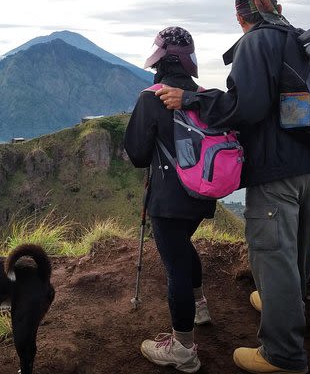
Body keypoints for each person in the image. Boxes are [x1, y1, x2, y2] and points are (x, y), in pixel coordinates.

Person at [155, 0, 310, 374]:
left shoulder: (257, 42)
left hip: (277, 170)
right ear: (277, 6)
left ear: (240, 15)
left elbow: (246, 107)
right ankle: (287, 304)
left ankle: (283, 355)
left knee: (273, 256)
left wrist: (191, 99)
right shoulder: (303, 42)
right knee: (301, 246)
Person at [124, 26, 216, 373]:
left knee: (175, 264)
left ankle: (183, 349)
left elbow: (136, 153)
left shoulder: (151, 97)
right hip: (202, 194)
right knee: (183, 247)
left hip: (167, 199)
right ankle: (200, 305)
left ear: (158, 59)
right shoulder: (204, 95)